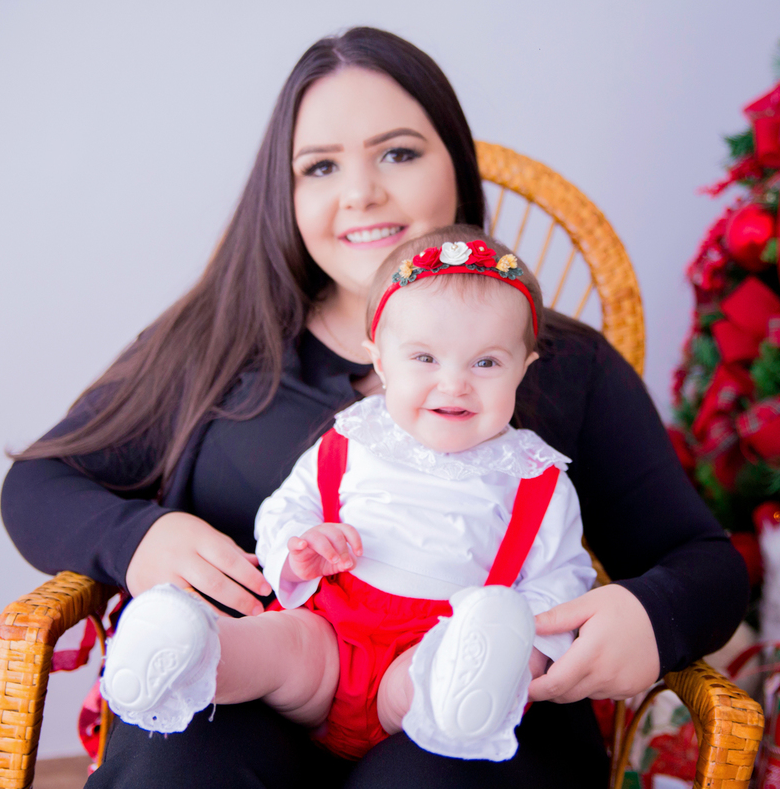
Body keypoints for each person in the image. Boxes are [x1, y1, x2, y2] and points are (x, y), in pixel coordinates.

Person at [0, 26, 748, 789]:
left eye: (398, 152)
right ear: (285, 197)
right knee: (182, 762)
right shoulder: (217, 342)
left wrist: (649, 616)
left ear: (456, 164)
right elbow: (39, 483)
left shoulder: (566, 365)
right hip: (263, 673)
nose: (360, 192)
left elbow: (705, 563)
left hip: (466, 708)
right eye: (320, 166)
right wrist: (139, 536)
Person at [99, 229, 598, 764]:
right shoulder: (354, 439)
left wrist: (517, 648)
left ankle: (463, 692)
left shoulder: (536, 477)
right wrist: (301, 545)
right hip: (330, 633)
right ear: (379, 360)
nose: (454, 384)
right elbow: (286, 509)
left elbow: (561, 585)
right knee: (277, 642)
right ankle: (188, 655)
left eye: (486, 363)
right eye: (425, 358)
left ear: (523, 366)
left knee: (452, 668)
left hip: (432, 657)